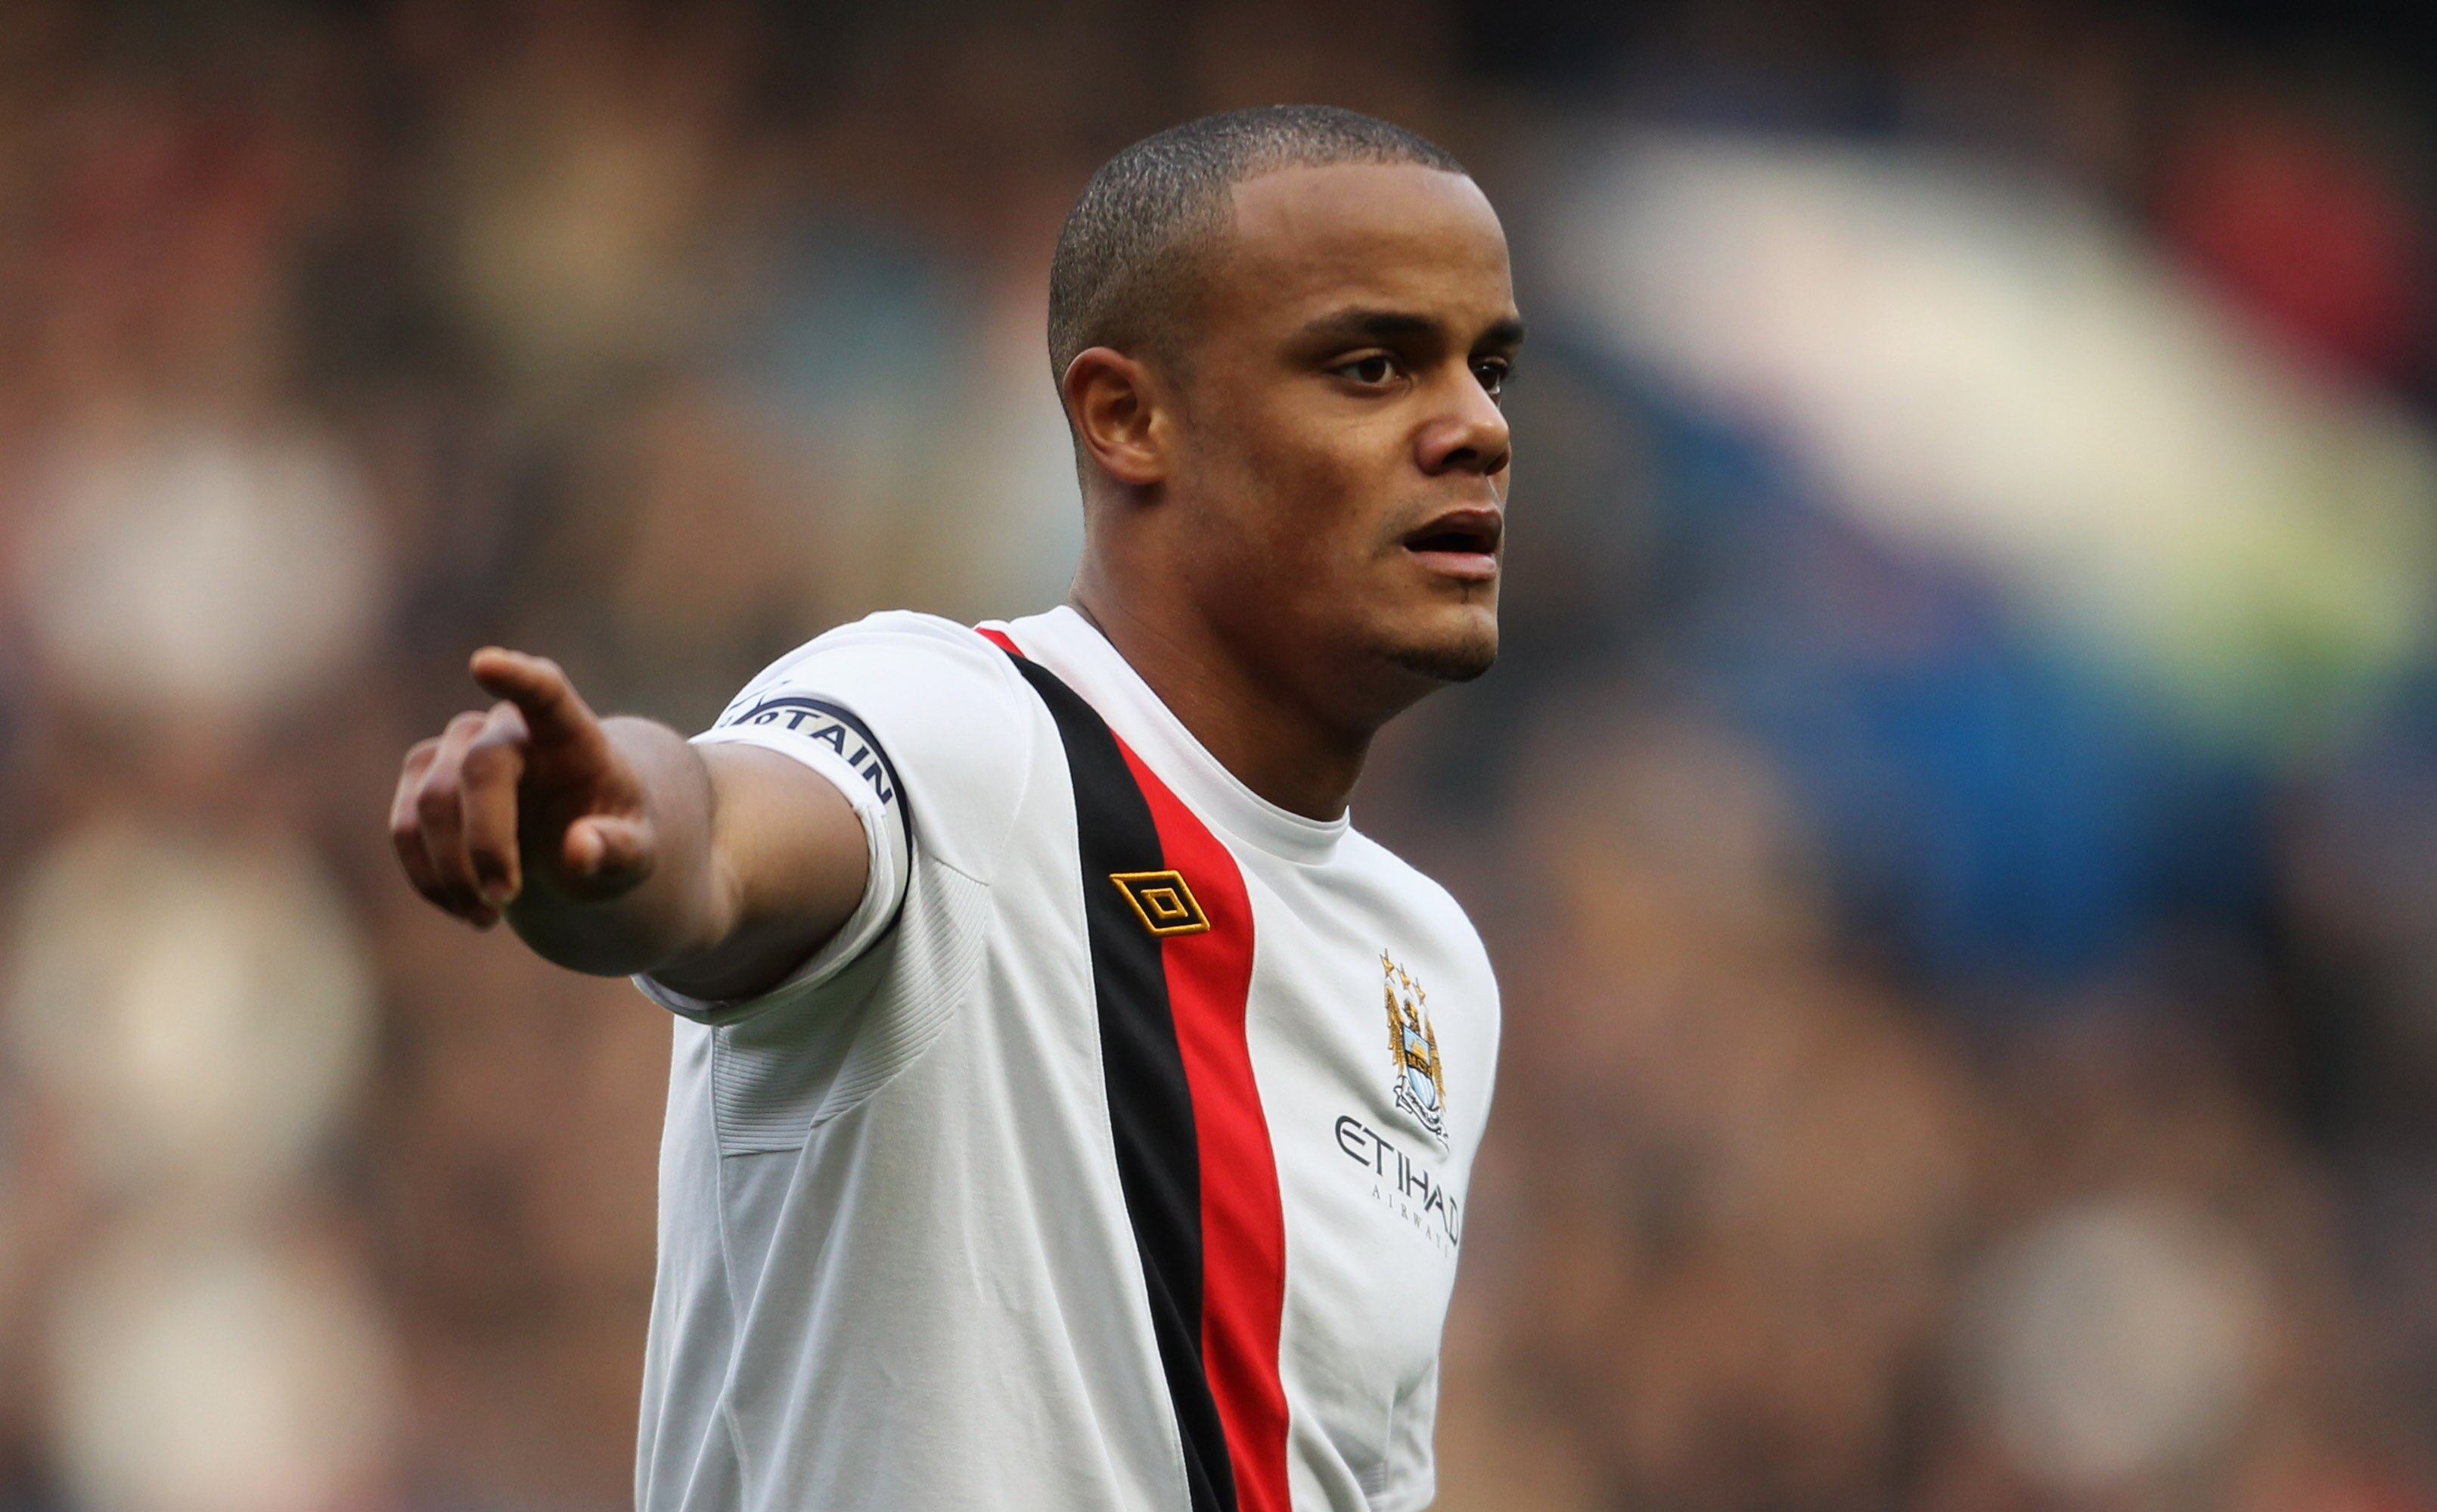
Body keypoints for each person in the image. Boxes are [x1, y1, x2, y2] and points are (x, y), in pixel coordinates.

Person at [389, 104, 1520, 1512]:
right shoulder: (971, 734)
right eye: (1371, 366)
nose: (1478, 428)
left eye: (1488, 368)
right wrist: (610, 836)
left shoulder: (1434, 967)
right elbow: (718, 839)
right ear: (1128, 417)